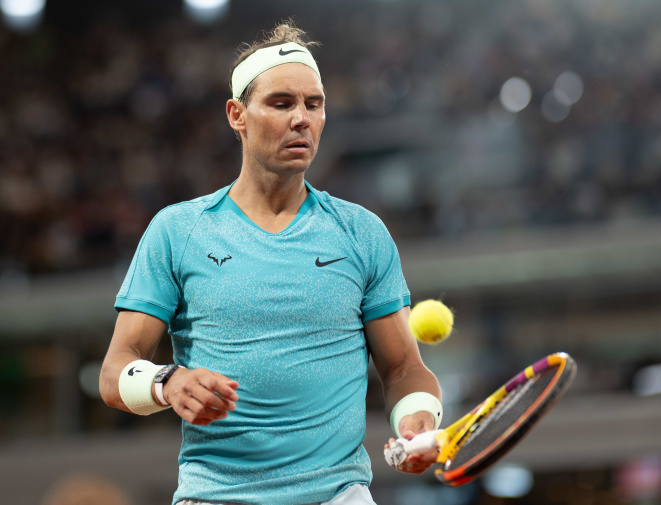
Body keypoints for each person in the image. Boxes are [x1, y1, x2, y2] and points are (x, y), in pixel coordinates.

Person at [99, 21, 442, 505]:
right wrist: (167, 381)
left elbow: (405, 366)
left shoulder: (363, 232)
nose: (302, 118)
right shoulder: (178, 231)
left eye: (314, 104)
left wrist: (416, 420)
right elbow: (114, 374)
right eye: (282, 103)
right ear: (237, 115)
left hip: (338, 495)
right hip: (216, 496)